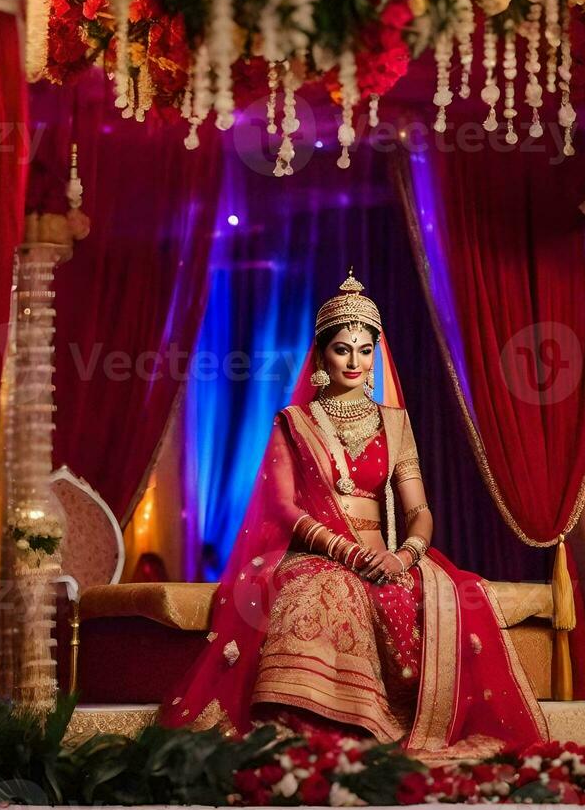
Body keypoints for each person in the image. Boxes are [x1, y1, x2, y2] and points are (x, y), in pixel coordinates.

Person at [160, 273, 546, 759]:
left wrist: (406, 555)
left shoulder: (396, 423)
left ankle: (403, 727)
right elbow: (284, 507)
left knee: (444, 596)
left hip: (385, 555)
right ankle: (314, 731)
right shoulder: (294, 422)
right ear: (321, 355)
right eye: (343, 349)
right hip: (315, 552)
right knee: (325, 592)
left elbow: (419, 510)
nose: (355, 361)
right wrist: (344, 550)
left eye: (365, 350)